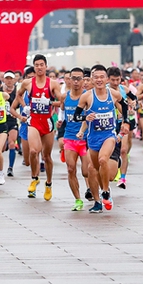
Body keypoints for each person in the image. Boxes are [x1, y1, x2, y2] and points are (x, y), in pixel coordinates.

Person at [72, 65, 126, 213]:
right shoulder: (86, 96)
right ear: (92, 79)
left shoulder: (113, 94)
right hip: (93, 138)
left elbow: (125, 106)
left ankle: (106, 191)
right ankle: (97, 201)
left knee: (103, 160)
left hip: (108, 136)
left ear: (107, 79)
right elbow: (76, 116)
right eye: (96, 77)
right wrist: (85, 117)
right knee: (92, 169)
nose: (99, 80)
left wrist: (126, 122)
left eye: (102, 77)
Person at [11, 54, 62, 199]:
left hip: (47, 121)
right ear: (34, 66)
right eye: (37, 65)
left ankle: (49, 184)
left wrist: (50, 103)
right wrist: (25, 107)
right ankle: (34, 178)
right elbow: (18, 95)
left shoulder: (52, 83)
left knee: (46, 156)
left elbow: (61, 101)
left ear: (46, 66)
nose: (39, 67)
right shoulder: (27, 83)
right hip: (33, 120)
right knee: (33, 151)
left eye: (41, 64)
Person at [60, 67, 89, 211]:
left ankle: (93, 190)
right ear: (69, 80)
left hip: (86, 139)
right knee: (71, 168)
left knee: (86, 171)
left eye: (79, 78)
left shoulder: (88, 96)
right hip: (69, 137)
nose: (76, 81)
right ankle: (78, 199)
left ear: (84, 80)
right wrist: (60, 121)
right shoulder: (64, 97)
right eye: (74, 78)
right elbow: (62, 110)